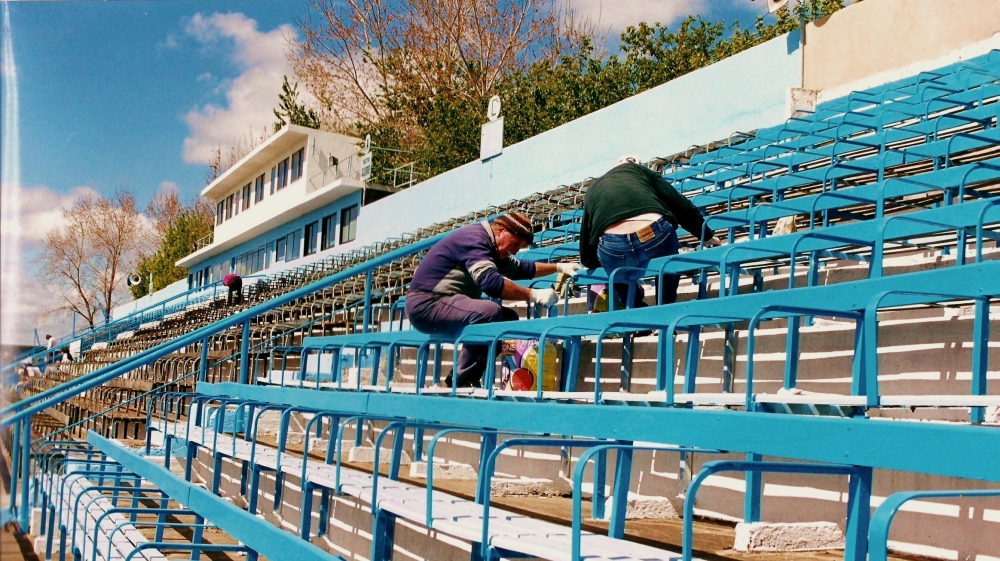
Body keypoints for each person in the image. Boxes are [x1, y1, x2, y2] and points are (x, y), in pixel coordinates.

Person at [405, 212, 582, 388]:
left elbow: (522, 269)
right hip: (426, 304)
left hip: (445, 303)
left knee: (508, 318)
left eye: (519, 248)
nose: (515, 251)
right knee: (490, 312)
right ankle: (461, 380)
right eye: (515, 244)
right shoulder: (476, 239)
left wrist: (560, 267)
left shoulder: (493, 247)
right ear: (501, 231)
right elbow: (491, 283)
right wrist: (533, 295)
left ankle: (463, 378)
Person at [580, 155, 721, 309]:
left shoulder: (594, 187)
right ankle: (664, 309)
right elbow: (679, 205)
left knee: (616, 275)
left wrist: (592, 263)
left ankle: (636, 312)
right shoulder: (641, 171)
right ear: (637, 164)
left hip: (613, 244)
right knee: (668, 265)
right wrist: (706, 235)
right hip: (653, 233)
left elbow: (586, 235)